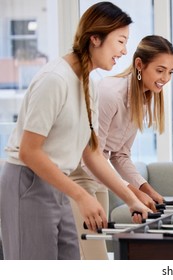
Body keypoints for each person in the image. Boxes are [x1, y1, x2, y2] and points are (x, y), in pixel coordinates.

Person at [0, 1, 150, 260]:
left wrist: (130, 198)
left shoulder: (88, 83)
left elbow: (91, 153)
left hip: (59, 182)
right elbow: (29, 152)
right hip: (28, 183)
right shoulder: (55, 80)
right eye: (120, 41)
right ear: (95, 38)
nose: (125, 51)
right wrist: (82, 195)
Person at [70, 35, 173, 259]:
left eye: (170, 72)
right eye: (160, 70)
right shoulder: (111, 93)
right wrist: (132, 193)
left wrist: (146, 189)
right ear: (139, 64)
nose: (165, 78)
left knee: (92, 255)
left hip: (97, 177)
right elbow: (89, 156)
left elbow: (120, 154)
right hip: (78, 175)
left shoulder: (144, 98)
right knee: (94, 255)